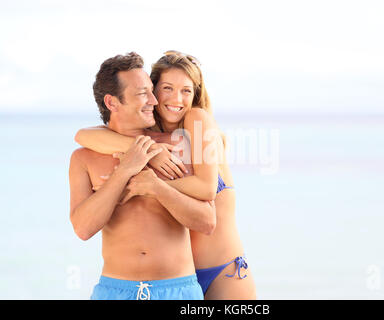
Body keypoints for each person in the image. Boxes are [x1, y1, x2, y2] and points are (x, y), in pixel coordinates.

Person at [75, 50, 256, 299]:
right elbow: (83, 135)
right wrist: (149, 150)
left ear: (196, 95)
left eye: (187, 91)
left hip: (222, 269)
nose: (177, 99)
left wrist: (152, 184)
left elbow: (205, 189)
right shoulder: (150, 135)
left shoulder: (197, 120)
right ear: (154, 90)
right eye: (167, 88)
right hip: (179, 275)